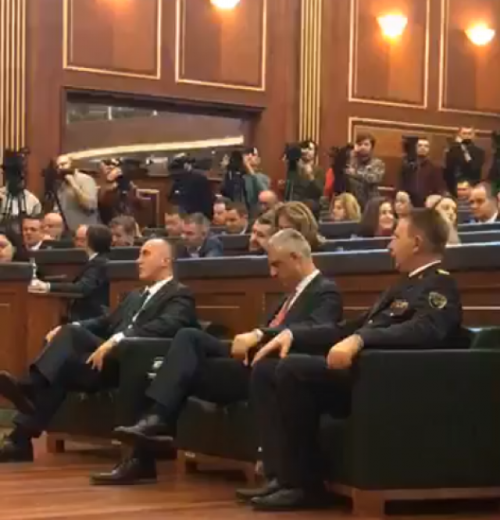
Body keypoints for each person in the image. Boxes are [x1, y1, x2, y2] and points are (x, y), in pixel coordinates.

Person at [243, 208, 464, 511]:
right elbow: (348, 327)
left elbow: (425, 330)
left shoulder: (439, 286)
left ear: (416, 242)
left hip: (389, 381)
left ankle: (304, 485)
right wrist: (291, 334)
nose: (389, 245)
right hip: (366, 375)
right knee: (267, 369)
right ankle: (281, 476)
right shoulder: (402, 285)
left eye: (395, 237)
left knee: (293, 369)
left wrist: (361, 340)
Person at [90, 229, 343, 486]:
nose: (272, 273)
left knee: (172, 370)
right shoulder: (286, 297)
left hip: (272, 370)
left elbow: (319, 329)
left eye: (277, 265)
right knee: (180, 346)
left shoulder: (325, 291)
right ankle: (152, 428)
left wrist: (261, 334)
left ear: (296, 258)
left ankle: (156, 424)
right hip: (247, 361)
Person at [0, 238, 199, 463]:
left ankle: (29, 387)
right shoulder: (135, 295)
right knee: (61, 365)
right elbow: (105, 321)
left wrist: (117, 339)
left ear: (165, 260)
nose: (138, 260)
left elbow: (167, 325)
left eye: (145, 254)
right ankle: (20, 441)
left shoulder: (179, 294)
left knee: (72, 335)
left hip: (137, 362)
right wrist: (71, 326)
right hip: (106, 361)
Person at [28, 225, 112, 321]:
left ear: (90, 242)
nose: (79, 243)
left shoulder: (99, 263)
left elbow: (82, 288)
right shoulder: (96, 260)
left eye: (83, 239)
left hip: (89, 316)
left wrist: (48, 286)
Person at [55, 155, 99, 232]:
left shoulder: (85, 179)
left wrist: (73, 184)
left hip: (84, 230)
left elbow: (90, 205)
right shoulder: (61, 184)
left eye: (63, 164)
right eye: (58, 166)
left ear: (73, 164)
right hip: (67, 230)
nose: (60, 168)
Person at [399, 137, 444, 207]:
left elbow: (439, 189)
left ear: (429, 149)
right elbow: (401, 185)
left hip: (427, 204)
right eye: (420, 146)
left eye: (426, 146)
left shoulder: (435, 168)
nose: (422, 148)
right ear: (416, 148)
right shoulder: (408, 167)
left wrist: (434, 198)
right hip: (409, 203)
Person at [97, 159, 143, 225]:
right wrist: (109, 181)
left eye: (114, 165)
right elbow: (104, 200)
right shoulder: (104, 189)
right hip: (110, 224)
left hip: (128, 222)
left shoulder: (128, 185)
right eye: (107, 166)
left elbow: (139, 205)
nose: (111, 167)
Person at [346, 133, 386, 208]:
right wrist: (353, 153)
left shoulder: (378, 163)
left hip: (370, 200)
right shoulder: (352, 160)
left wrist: (355, 173)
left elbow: (373, 178)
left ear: (371, 147)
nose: (363, 147)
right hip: (352, 200)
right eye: (360, 144)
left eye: (366, 144)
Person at [443, 127, 485, 196]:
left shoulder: (479, 152)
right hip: (454, 186)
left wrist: (464, 150)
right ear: (459, 135)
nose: (467, 136)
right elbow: (448, 169)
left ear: (473, 136)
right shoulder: (452, 151)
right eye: (464, 133)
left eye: (469, 133)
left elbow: (474, 168)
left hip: (472, 186)